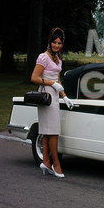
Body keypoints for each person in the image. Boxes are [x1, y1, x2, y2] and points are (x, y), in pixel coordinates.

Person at [31, 27, 73, 177]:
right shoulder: (44, 57)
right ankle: (56, 164)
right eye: (54, 42)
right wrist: (51, 84)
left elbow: (58, 79)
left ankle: (46, 162)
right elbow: (34, 77)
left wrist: (64, 96)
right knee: (53, 131)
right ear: (49, 42)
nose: (56, 45)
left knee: (49, 131)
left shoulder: (57, 58)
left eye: (59, 43)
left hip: (55, 94)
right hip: (46, 95)